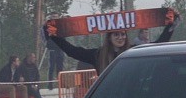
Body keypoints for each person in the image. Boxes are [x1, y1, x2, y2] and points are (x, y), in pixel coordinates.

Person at [45, 9, 178, 74]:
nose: (120, 37)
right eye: (116, 35)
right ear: (109, 37)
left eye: (123, 34)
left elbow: (156, 45)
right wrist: (54, 35)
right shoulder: (98, 55)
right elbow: (73, 52)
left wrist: (170, 26)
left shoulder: (133, 51)